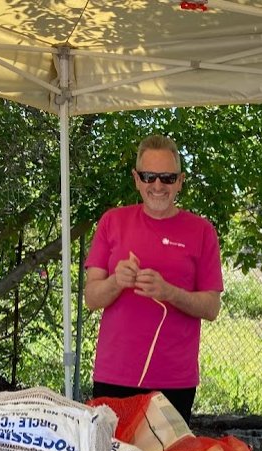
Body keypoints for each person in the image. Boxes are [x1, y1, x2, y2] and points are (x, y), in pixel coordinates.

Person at [84, 135, 223, 423]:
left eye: (167, 178)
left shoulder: (201, 231)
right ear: (136, 179)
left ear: (180, 181)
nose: (157, 186)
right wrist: (115, 282)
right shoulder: (112, 221)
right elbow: (91, 298)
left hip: (173, 382)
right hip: (114, 375)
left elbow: (211, 307)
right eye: (149, 177)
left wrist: (169, 291)